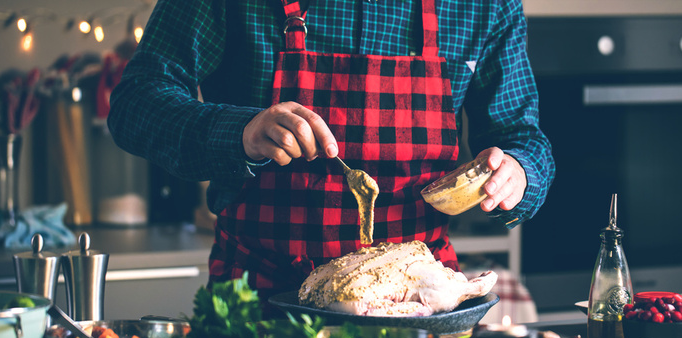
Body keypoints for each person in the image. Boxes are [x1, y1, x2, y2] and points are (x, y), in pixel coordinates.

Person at [108, 0, 555, 304]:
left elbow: (524, 138)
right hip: (262, 301)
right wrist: (241, 132)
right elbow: (134, 103)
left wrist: (518, 171)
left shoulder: (483, 6)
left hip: (415, 307)